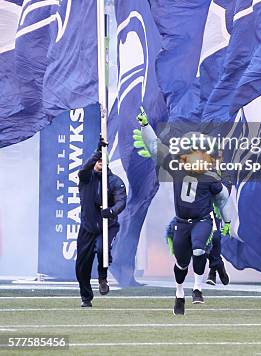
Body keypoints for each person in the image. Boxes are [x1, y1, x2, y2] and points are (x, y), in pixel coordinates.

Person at [133, 110, 232, 315]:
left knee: (198, 249)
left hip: (202, 220)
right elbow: (155, 148)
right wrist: (145, 126)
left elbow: (222, 199)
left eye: (202, 154)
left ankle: (197, 289)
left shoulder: (211, 177)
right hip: (181, 222)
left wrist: (227, 221)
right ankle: (179, 293)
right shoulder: (177, 167)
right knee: (181, 261)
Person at [76, 138, 126, 307]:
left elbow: (121, 201)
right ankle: (86, 297)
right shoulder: (86, 178)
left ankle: (102, 277)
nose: (99, 163)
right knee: (82, 266)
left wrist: (111, 211)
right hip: (87, 227)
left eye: (102, 160)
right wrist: (98, 151)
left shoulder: (115, 181)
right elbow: (83, 170)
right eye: (97, 161)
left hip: (107, 226)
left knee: (102, 249)